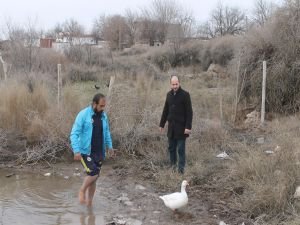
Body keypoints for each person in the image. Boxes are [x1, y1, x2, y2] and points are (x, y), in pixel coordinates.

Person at [70, 93, 115, 207]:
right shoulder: (83, 115)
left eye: (104, 106)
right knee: (93, 173)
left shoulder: (104, 116)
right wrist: (76, 150)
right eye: (101, 106)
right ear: (94, 104)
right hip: (85, 151)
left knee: (94, 179)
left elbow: (107, 132)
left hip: (99, 152)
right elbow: (74, 133)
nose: (102, 108)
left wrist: (110, 146)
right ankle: (82, 190)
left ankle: (89, 203)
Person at [159, 75, 193, 174]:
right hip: (171, 128)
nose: (175, 86)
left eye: (176, 84)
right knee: (171, 149)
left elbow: (189, 112)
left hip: (182, 128)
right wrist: (162, 124)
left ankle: (181, 171)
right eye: (173, 84)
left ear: (179, 83)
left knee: (181, 150)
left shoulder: (185, 95)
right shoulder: (168, 95)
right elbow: (165, 110)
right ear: (170, 84)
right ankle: (173, 169)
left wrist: (188, 127)